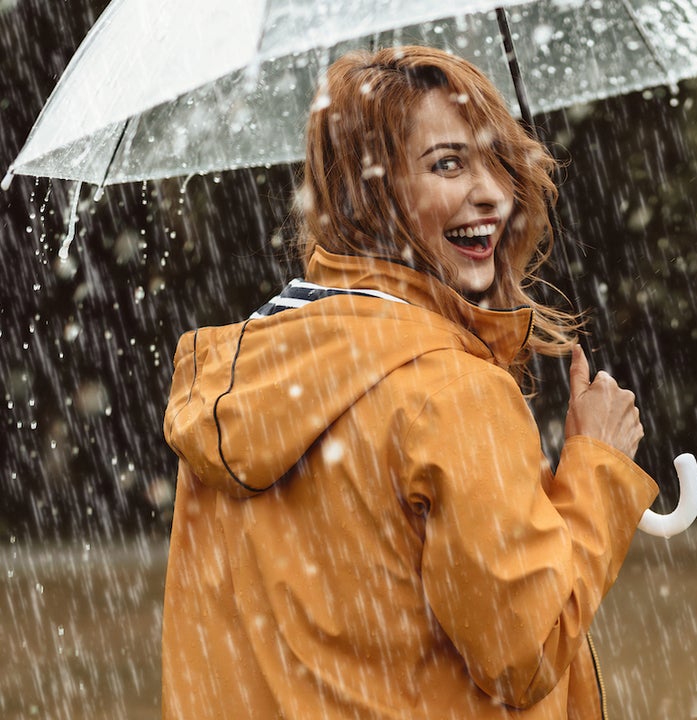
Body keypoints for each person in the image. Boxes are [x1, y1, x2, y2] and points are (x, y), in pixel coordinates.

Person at [160, 46, 658, 719]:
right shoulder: (449, 394)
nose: (492, 193)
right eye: (446, 164)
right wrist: (595, 472)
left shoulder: (249, 377)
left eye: (498, 162)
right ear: (370, 195)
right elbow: (523, 650)